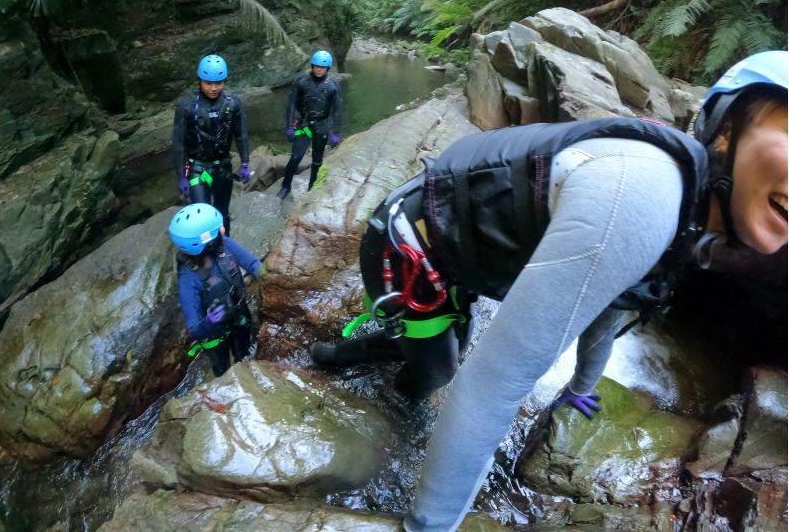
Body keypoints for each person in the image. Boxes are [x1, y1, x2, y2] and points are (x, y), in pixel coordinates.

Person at [312, 50, 787, 530]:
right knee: (438, 372)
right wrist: (430, 525)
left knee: (446, 345)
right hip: (410, 250)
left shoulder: (686, 210)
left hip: (457, 253)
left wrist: (580, 386)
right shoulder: (644, 197)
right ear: (726, 131)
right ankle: (351, 362)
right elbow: (492, 384)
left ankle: (381, 347)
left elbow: (612, 301)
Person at [169, 203, 262, 377]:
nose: (222, 229)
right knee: (222, 369)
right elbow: (194, 329)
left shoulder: (224, 245)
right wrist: (210, 321)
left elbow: (252, 264)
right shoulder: (188, 280)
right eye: (217, 229)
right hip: (214, 335)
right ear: (206, 242)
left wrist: (268, 275)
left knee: (244, 356)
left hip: (238, 315)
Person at [173, 54, 250, 233]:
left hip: (222, 167)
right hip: (197, 168)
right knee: (203, 215)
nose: (214, 88)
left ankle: (226, 248)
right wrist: (181, 175)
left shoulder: (233, 103)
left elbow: (241, 135)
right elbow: (179, 143)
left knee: (222, 213)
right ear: (200, 81)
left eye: (218, 83)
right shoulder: (187, 105)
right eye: (208, 83)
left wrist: (245, 163)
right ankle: (206, 254)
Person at [277, 50, 343, 200]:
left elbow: (337, 110)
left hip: (322, 125)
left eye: (323, 67)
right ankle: (285, 186)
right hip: (303, 124)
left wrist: (336, 132)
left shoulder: (333, 86)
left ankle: (312, 187)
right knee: (295, 157)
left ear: (328, 69)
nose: (319, 69)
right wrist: (289, 126)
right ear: (312, 66)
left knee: (317, 160)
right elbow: (291, 104)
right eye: (317, 66)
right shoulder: (301, 82)